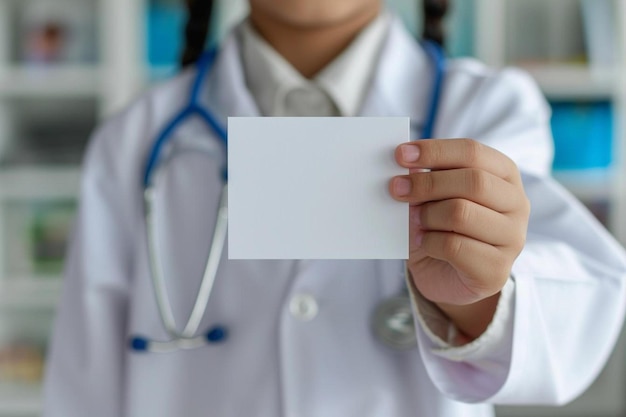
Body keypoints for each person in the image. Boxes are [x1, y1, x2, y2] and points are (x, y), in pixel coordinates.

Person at [42, 0, 626, 416]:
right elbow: (81, 381)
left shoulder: (484, 111)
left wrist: (477, 296)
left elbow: (571, 306)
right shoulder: (136, 140)